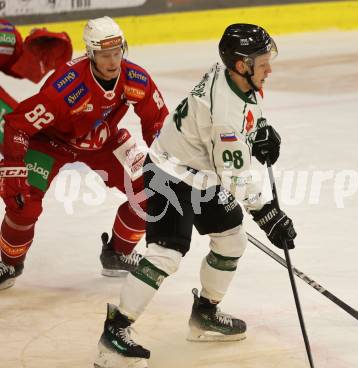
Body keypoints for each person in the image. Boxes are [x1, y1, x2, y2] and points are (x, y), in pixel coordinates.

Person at [94, 23, 297, 368]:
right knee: (166, 254)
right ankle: (114, 334)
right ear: (241, 65)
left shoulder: (229, 74)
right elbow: (234, 175)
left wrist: (260, 129)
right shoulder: (224, 118)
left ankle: (205, 314)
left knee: (231, 240)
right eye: (262, 64)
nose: (269, 70)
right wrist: (267, 214)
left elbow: (245, 109)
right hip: (169, 175)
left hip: (200, 174)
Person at [0, 16, 168, 290]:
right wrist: (13, 168)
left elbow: (157, 121)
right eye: (104, 55)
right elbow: (18, 124)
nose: (113, 62)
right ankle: (9, 262)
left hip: (104, 141)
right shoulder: (66, 88)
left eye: (117, 53)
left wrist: (167, 157)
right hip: (51, 144)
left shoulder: (134, 78)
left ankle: (118, 253)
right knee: (23, 205)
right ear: (90, 54)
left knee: (154, 190)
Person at [0, 18, 73, 136]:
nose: (43, 70)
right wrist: (23, 122)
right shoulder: (9, 40)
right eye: (44, 62)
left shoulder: (12, 45)